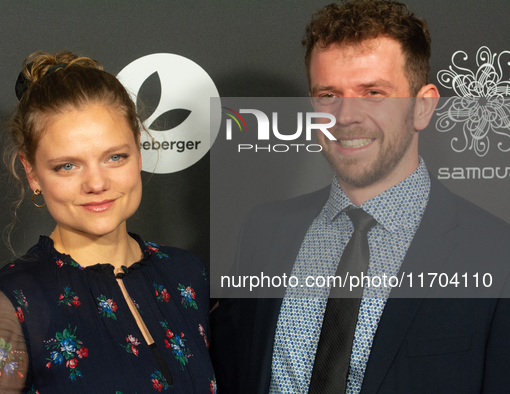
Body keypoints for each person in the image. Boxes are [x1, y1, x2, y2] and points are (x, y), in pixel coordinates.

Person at [210, 1, 510, 393]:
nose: (346, 115)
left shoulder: (496, 255)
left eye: (373, 92)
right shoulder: (265, 231)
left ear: (423, 106)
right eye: (328, 94)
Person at [0, 51, 215, 393]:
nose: (96, 184)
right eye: (67, 165)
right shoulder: (13, 302)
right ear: (31, 172)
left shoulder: (187, 275)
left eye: (114, 157)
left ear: (138, 151)